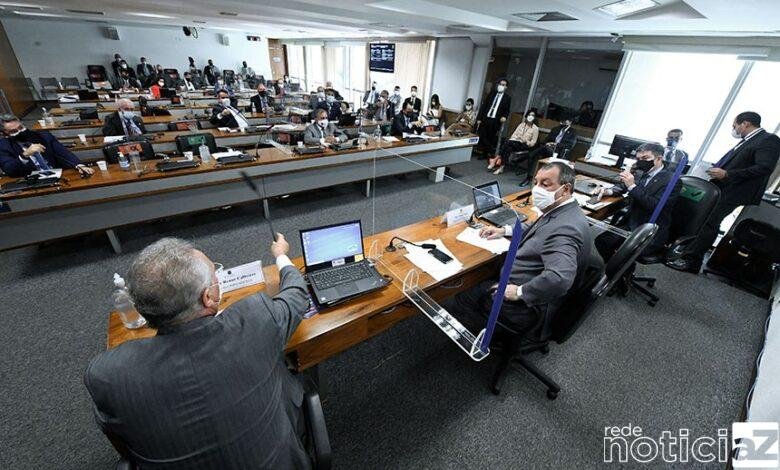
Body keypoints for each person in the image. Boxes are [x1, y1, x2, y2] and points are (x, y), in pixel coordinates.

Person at [84, 236, 313, 469]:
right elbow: (296, 293)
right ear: (208, 297)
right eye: (216, 277)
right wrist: (281, 255)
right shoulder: (257, 319)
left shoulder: (107, 375)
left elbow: (121, 440)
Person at [446, 162, 592, 339]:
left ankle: (475, 339)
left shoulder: (565, 230)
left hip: (528, 307)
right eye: (536, 182)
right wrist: (504, 230)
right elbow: (538, 227)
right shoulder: (564, 211)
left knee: (464, 295)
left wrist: (520, 292)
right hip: (528, 280)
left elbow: (560, 279)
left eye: (545, 184)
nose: (537, 189)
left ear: (566, 189)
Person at [668, 111, 780, 273]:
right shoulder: (748, 140)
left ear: (746, 124)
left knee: (710, 222)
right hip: (725, 186)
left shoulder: (768, 140)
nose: (734, 129)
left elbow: (764, 167)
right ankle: (687, 252)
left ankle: (691, 261)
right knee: (704, 219)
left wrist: (727, 174)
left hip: (736, 189)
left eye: (735, 125)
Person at [594, 142, 682, 260]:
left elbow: (655, 206)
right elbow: (621, 186)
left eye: (645, 158)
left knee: (612, 246)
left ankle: (619, 274)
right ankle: (618, 272)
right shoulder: (640, 171)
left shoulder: (672, 181)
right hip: (631, 222)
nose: (641, 162)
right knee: (602, 241)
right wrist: (607, 191)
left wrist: (632, 186)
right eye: (639, 159)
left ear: (659, 158)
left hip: (650, 230)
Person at [0, 114, 94, 177]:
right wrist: (25, 155)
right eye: (14, 131)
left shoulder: (43, 136)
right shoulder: (4, 146)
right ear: (5, 134)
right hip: (32, 181)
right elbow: (9, 169)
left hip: (57, 173)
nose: (20, 132)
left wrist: (79, 165)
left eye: (21, 127)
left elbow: (63, 152)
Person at [522, 116, 578, 185]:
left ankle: (526, 156)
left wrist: (555, 144)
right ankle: (529, 177)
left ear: (570, 122)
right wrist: (548, 143)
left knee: (538, 151)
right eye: (563, 120)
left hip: (559, 151)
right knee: (538, 153)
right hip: (548, 149)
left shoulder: (573, 132)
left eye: (566, 120)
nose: (563, 122)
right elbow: (546, 139)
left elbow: (570, 145)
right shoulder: (556, 129)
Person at [487, 109, 539, 175]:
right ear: (527, 116)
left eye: (532, 115)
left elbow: (533, 143)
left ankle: (495, 159)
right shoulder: (521, 124)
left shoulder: (535, 128)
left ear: (535, 117)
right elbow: (513, 135)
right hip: (514, 142)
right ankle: (501, 168)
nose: (530, 116)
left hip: (524, 145)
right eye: (529, 115)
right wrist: (515, 139)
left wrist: (526, 141)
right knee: (508, 148)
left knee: (508, 143)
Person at [476, 79, 511, 159]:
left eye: (503, 85)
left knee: (490, 137)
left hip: (495, 120)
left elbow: (507, 110)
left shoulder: (507, 98)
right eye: (500, 84)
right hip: (486, 117)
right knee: (482, 135)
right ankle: (491, 151)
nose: (501, 86)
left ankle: (485, 154)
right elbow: (484, 106)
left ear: (506, 87)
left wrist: (504, 117)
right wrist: (479, 118)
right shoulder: (492, 94)